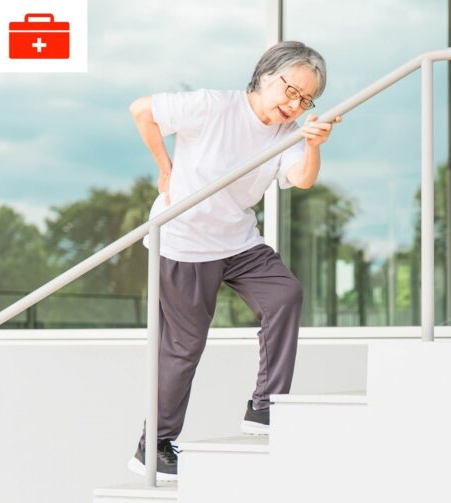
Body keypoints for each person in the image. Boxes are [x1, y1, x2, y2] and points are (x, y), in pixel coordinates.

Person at [126, 41, 341, 481]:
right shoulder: (213, 106)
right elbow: (141, 110)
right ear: (265, 76)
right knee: (185, 347)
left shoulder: (288, 134)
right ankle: (155, 446)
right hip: (184, 241)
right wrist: (165, 169)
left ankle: (265, 405)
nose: (294, 105)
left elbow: (301, 179)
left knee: (285, 294)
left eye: (305, 100)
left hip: (238, 241)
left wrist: (315, 143)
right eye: (290, 91)